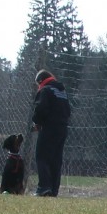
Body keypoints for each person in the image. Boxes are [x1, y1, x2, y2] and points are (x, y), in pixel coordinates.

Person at [31, 69, 71, 197]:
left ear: (41, 81)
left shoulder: (45, 90)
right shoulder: (62, 91)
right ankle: (54, 189)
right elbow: (68, 110)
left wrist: (37, 122)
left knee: (41, 157)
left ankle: (44, 187)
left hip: (48, 127)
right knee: (56, 159)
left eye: (38, 84)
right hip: (62, 128)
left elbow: (41, 108)